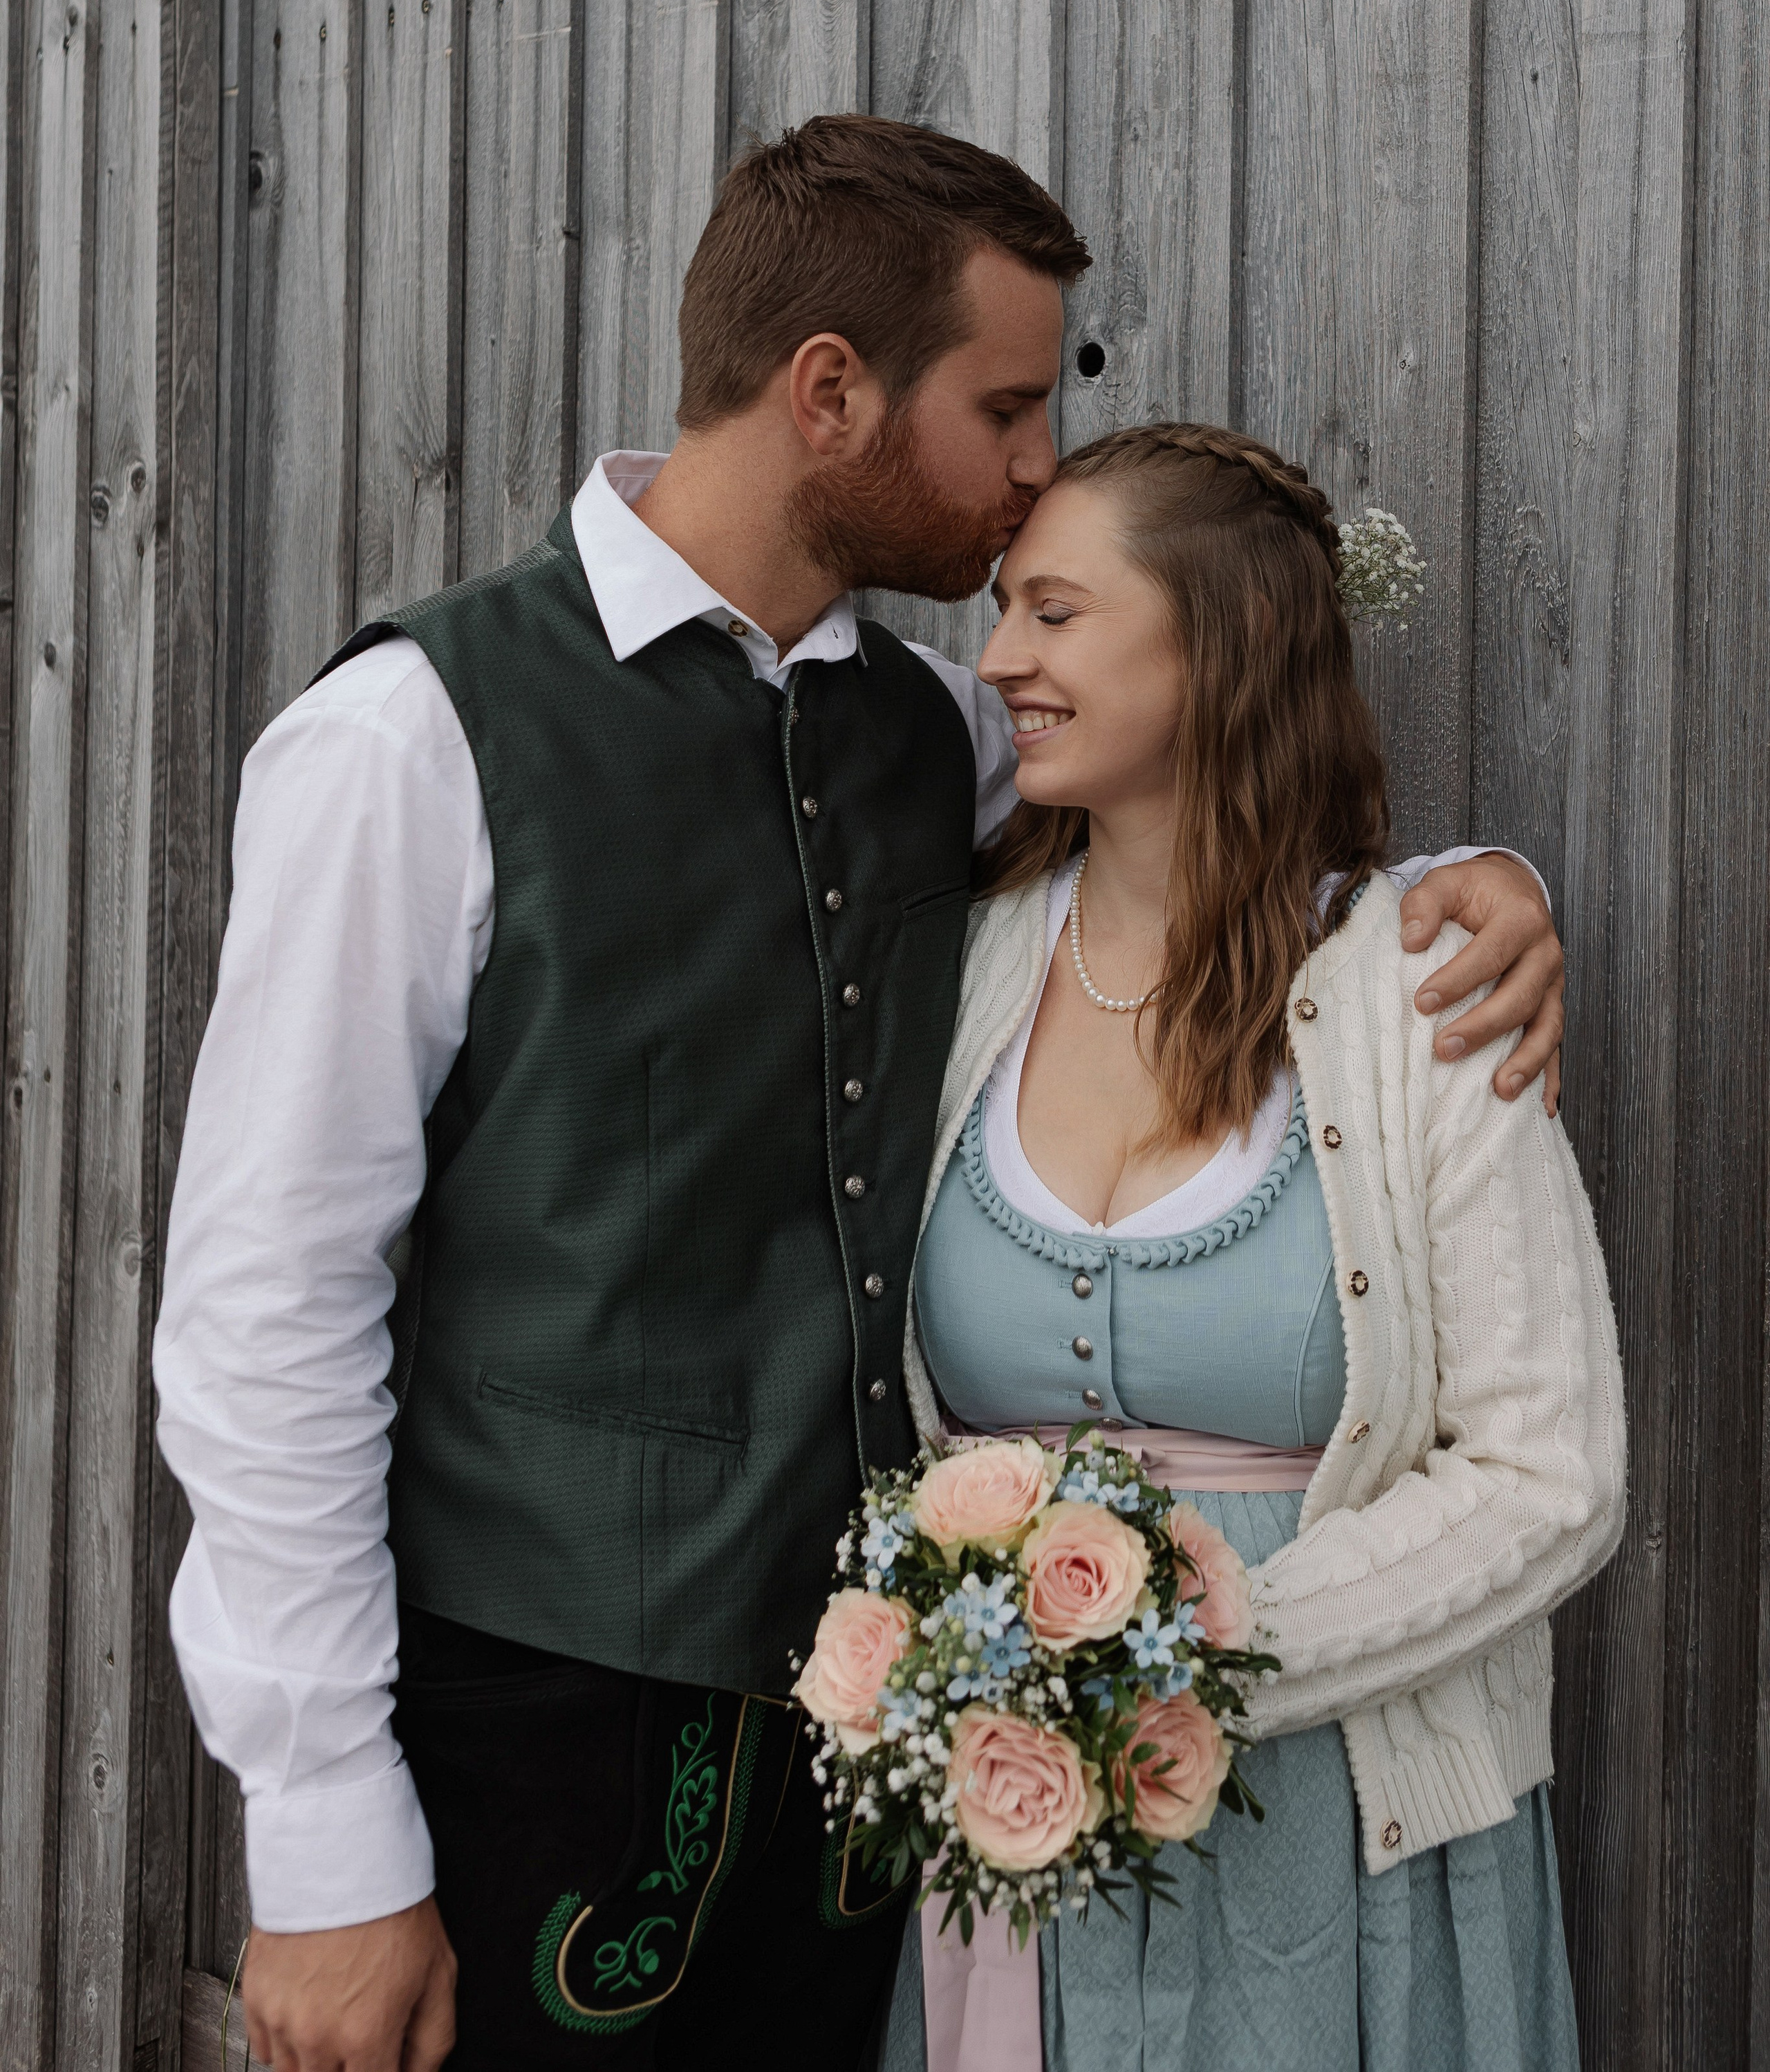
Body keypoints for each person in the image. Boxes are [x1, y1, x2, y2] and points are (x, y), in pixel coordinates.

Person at [151, 120, 1565, 2072]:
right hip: (531, 1730)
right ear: (830, 392)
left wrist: (1466, 895)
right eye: (1002, 408)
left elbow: (1199, 827)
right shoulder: (411, 737)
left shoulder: (938, 736)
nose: (1039, 465)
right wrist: (323, 1836)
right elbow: (266, 1308)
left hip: (872, 1764)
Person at [886, 423, 1623, 2072]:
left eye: (1053, 614)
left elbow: (1549, 1467)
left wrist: (1197, 1657)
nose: (996, 662)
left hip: (1345, 1836)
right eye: (1003, 612)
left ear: (1222, 640)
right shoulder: (959, 967)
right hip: (1017, 1845)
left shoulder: (1418, 991)